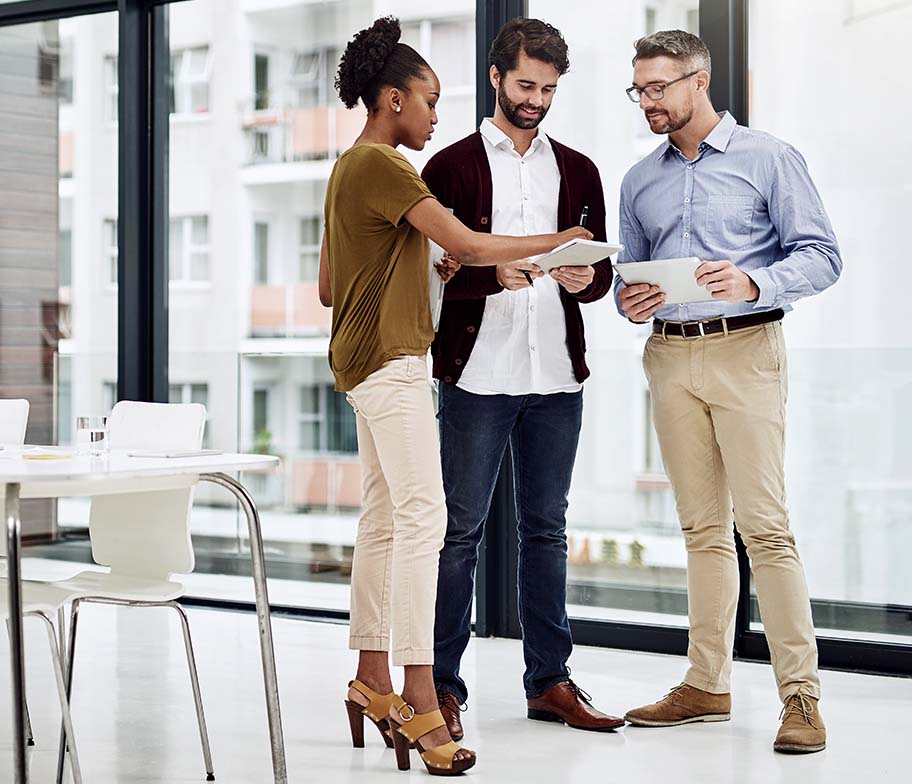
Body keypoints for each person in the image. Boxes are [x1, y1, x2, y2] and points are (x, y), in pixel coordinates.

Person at [322, 15, 591, 775]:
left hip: (361, 363)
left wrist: (417, 267)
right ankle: (421, 697)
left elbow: (329, 286)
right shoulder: (389, 169)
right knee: (426, 522)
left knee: (383, 521)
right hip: (396, 363)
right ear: (389, 99)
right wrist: (556, 243)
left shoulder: (348, 168)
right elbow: (471, 245)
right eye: (427, 99)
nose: (437, 115)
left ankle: (371, 678)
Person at [615, 29, 841, 754]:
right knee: (700, 531)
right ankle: (706, 683)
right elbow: (631, 278)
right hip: (669, 357)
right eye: (638, 89)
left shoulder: (768, 158)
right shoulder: (639, 180)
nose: (647, 101)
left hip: (747, 351)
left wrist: (755, 281)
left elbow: (823, 256)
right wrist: (630, 303)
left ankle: (801, 699)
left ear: (699, 79)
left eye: (658, 87)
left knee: (765, 529)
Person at [421, 17, 623, 739]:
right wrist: (488, 275)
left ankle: (550, 682)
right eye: (527, 84)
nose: (537, 99)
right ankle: (441, 688)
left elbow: (599, 276)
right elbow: (431, 275)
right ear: (497, 77)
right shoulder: (447, 167)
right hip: (476, 374)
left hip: (556, 376)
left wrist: (582, 277)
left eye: (549, 88)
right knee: (457, 535)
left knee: (547, 531)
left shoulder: (578, 168)